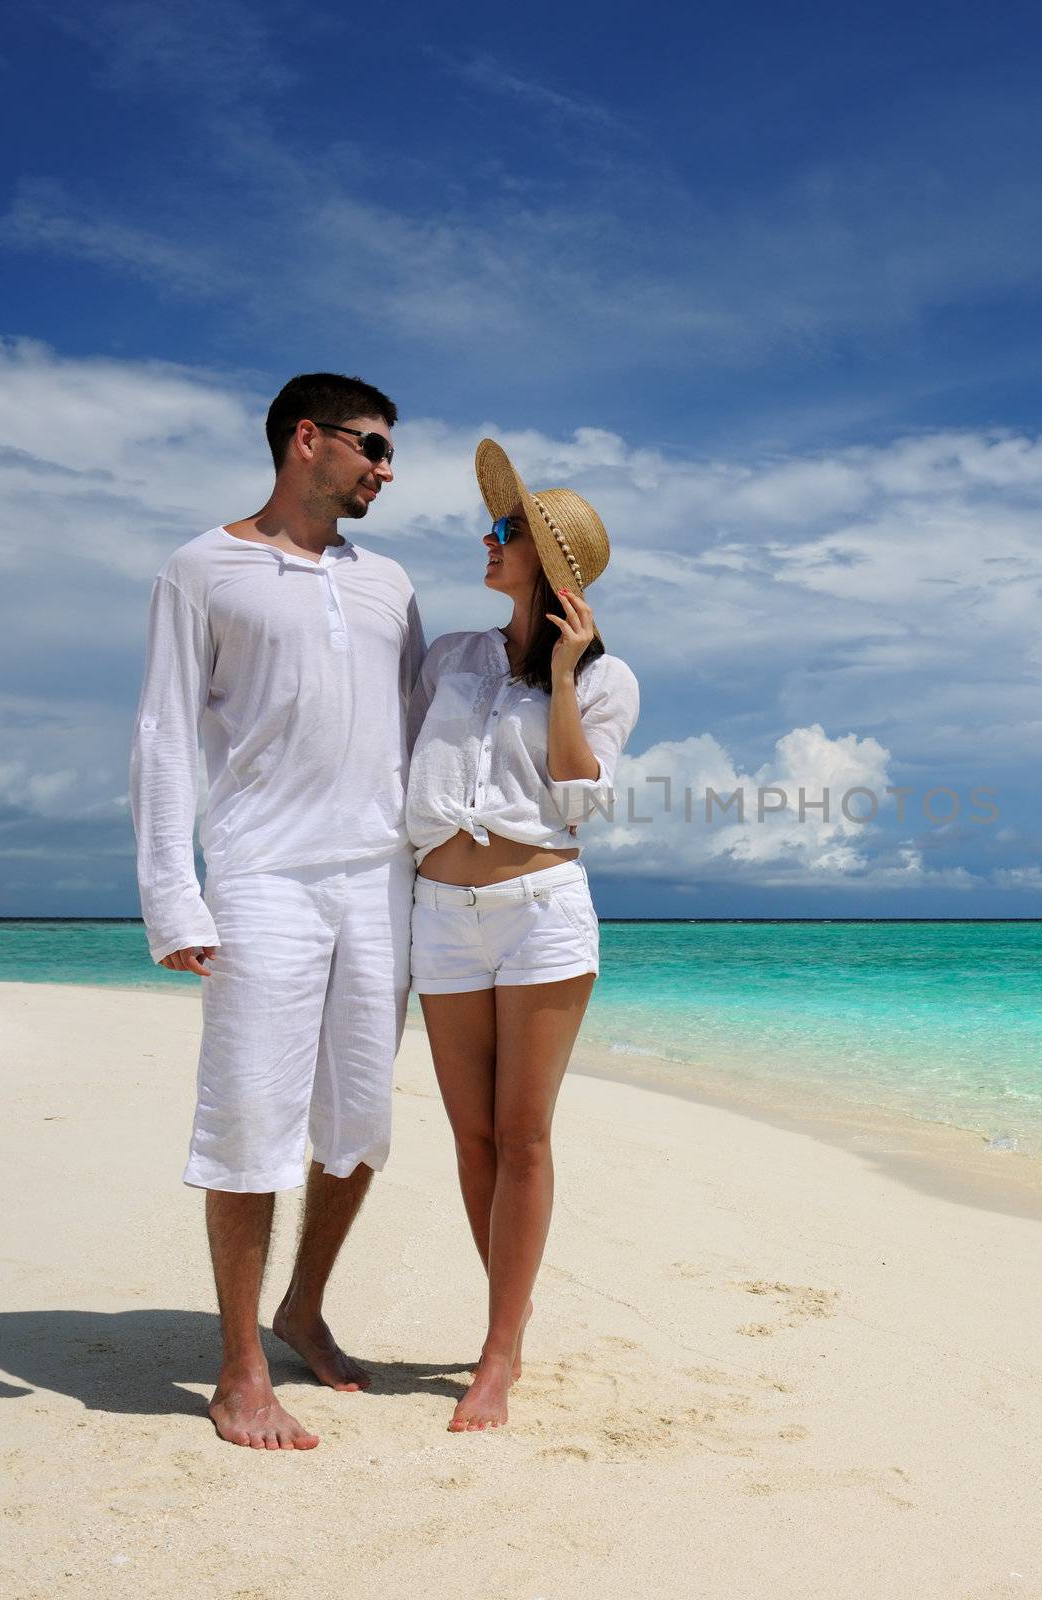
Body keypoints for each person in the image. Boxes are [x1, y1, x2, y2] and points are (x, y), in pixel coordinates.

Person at [129, 373, 425, 1451]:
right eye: (373, 448)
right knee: (252, 1117)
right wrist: (176, 897)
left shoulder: (389, 582)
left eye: (389, 454)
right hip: (260, 876)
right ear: (309, 439)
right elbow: (163, 735)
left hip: (380, 880)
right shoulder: (199, 569)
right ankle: (240, 1364)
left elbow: (418, 730)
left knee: (357, 1121)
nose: (386, 471)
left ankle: (303, 1306)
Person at [406, 437, 639, 1432]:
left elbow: (581, 799)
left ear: (551, 564)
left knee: (523, 1136)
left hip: (541, 914)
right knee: (469, 1136)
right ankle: (510, 1306)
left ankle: (498, 1352)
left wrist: (567, 666)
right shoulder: (451, 655)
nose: (488, 538)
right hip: (439, 915)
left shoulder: (608, 678)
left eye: (508, 532)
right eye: (497, 525)